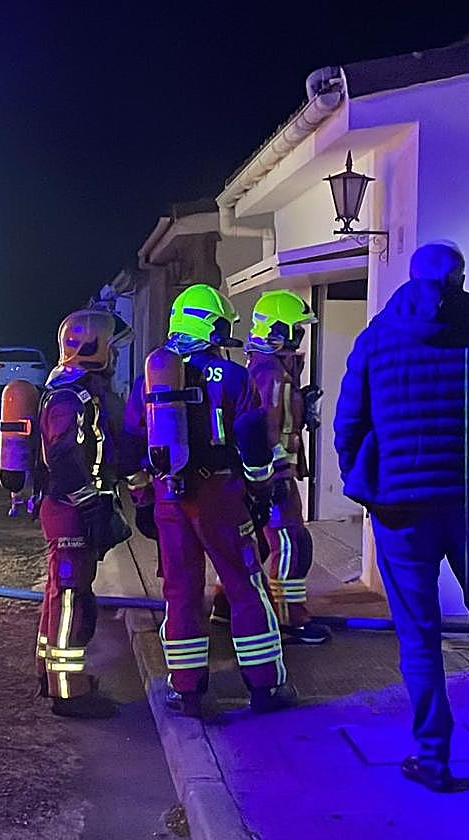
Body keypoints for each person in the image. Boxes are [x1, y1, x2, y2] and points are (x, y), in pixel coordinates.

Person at [334, 241, 469, 794]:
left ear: (411, 276)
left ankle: (434, 758)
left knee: (419, 636)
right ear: (462, 278)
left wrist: (365, 486)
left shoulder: (376, 339)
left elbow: (348, 423)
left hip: (400, 511)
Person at [133, 283, 295, 717]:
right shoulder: (235, 375)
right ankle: (265, 687)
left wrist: (143, 496)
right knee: (245, 586)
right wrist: (262, 489)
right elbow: (253, 437)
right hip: (221, 494)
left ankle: (186, 689)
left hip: (170, 496)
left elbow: (130, 442)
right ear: (214, 325)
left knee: (181, 592)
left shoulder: (147, 378)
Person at [35, 308, 133, 718]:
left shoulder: (81, 390)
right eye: (111, 346)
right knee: (72, 598)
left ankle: (52, 674)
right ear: (94, 348)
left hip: (76, 506)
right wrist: (90, 503)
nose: (114, 354)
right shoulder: (69, 397)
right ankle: (68, 692)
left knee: (63, 594)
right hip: (70, 509)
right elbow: (61, 454)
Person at [242, 289, 331, 644]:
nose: (300, 338)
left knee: (258, 546)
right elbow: (266, 428)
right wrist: (275, 476)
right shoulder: (270, 372)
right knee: (290, 541)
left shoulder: (270, 368)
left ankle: (227, 605)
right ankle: (289, 617)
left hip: (271, 473)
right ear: (278, 330)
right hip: (275, 476)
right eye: (296, 330)